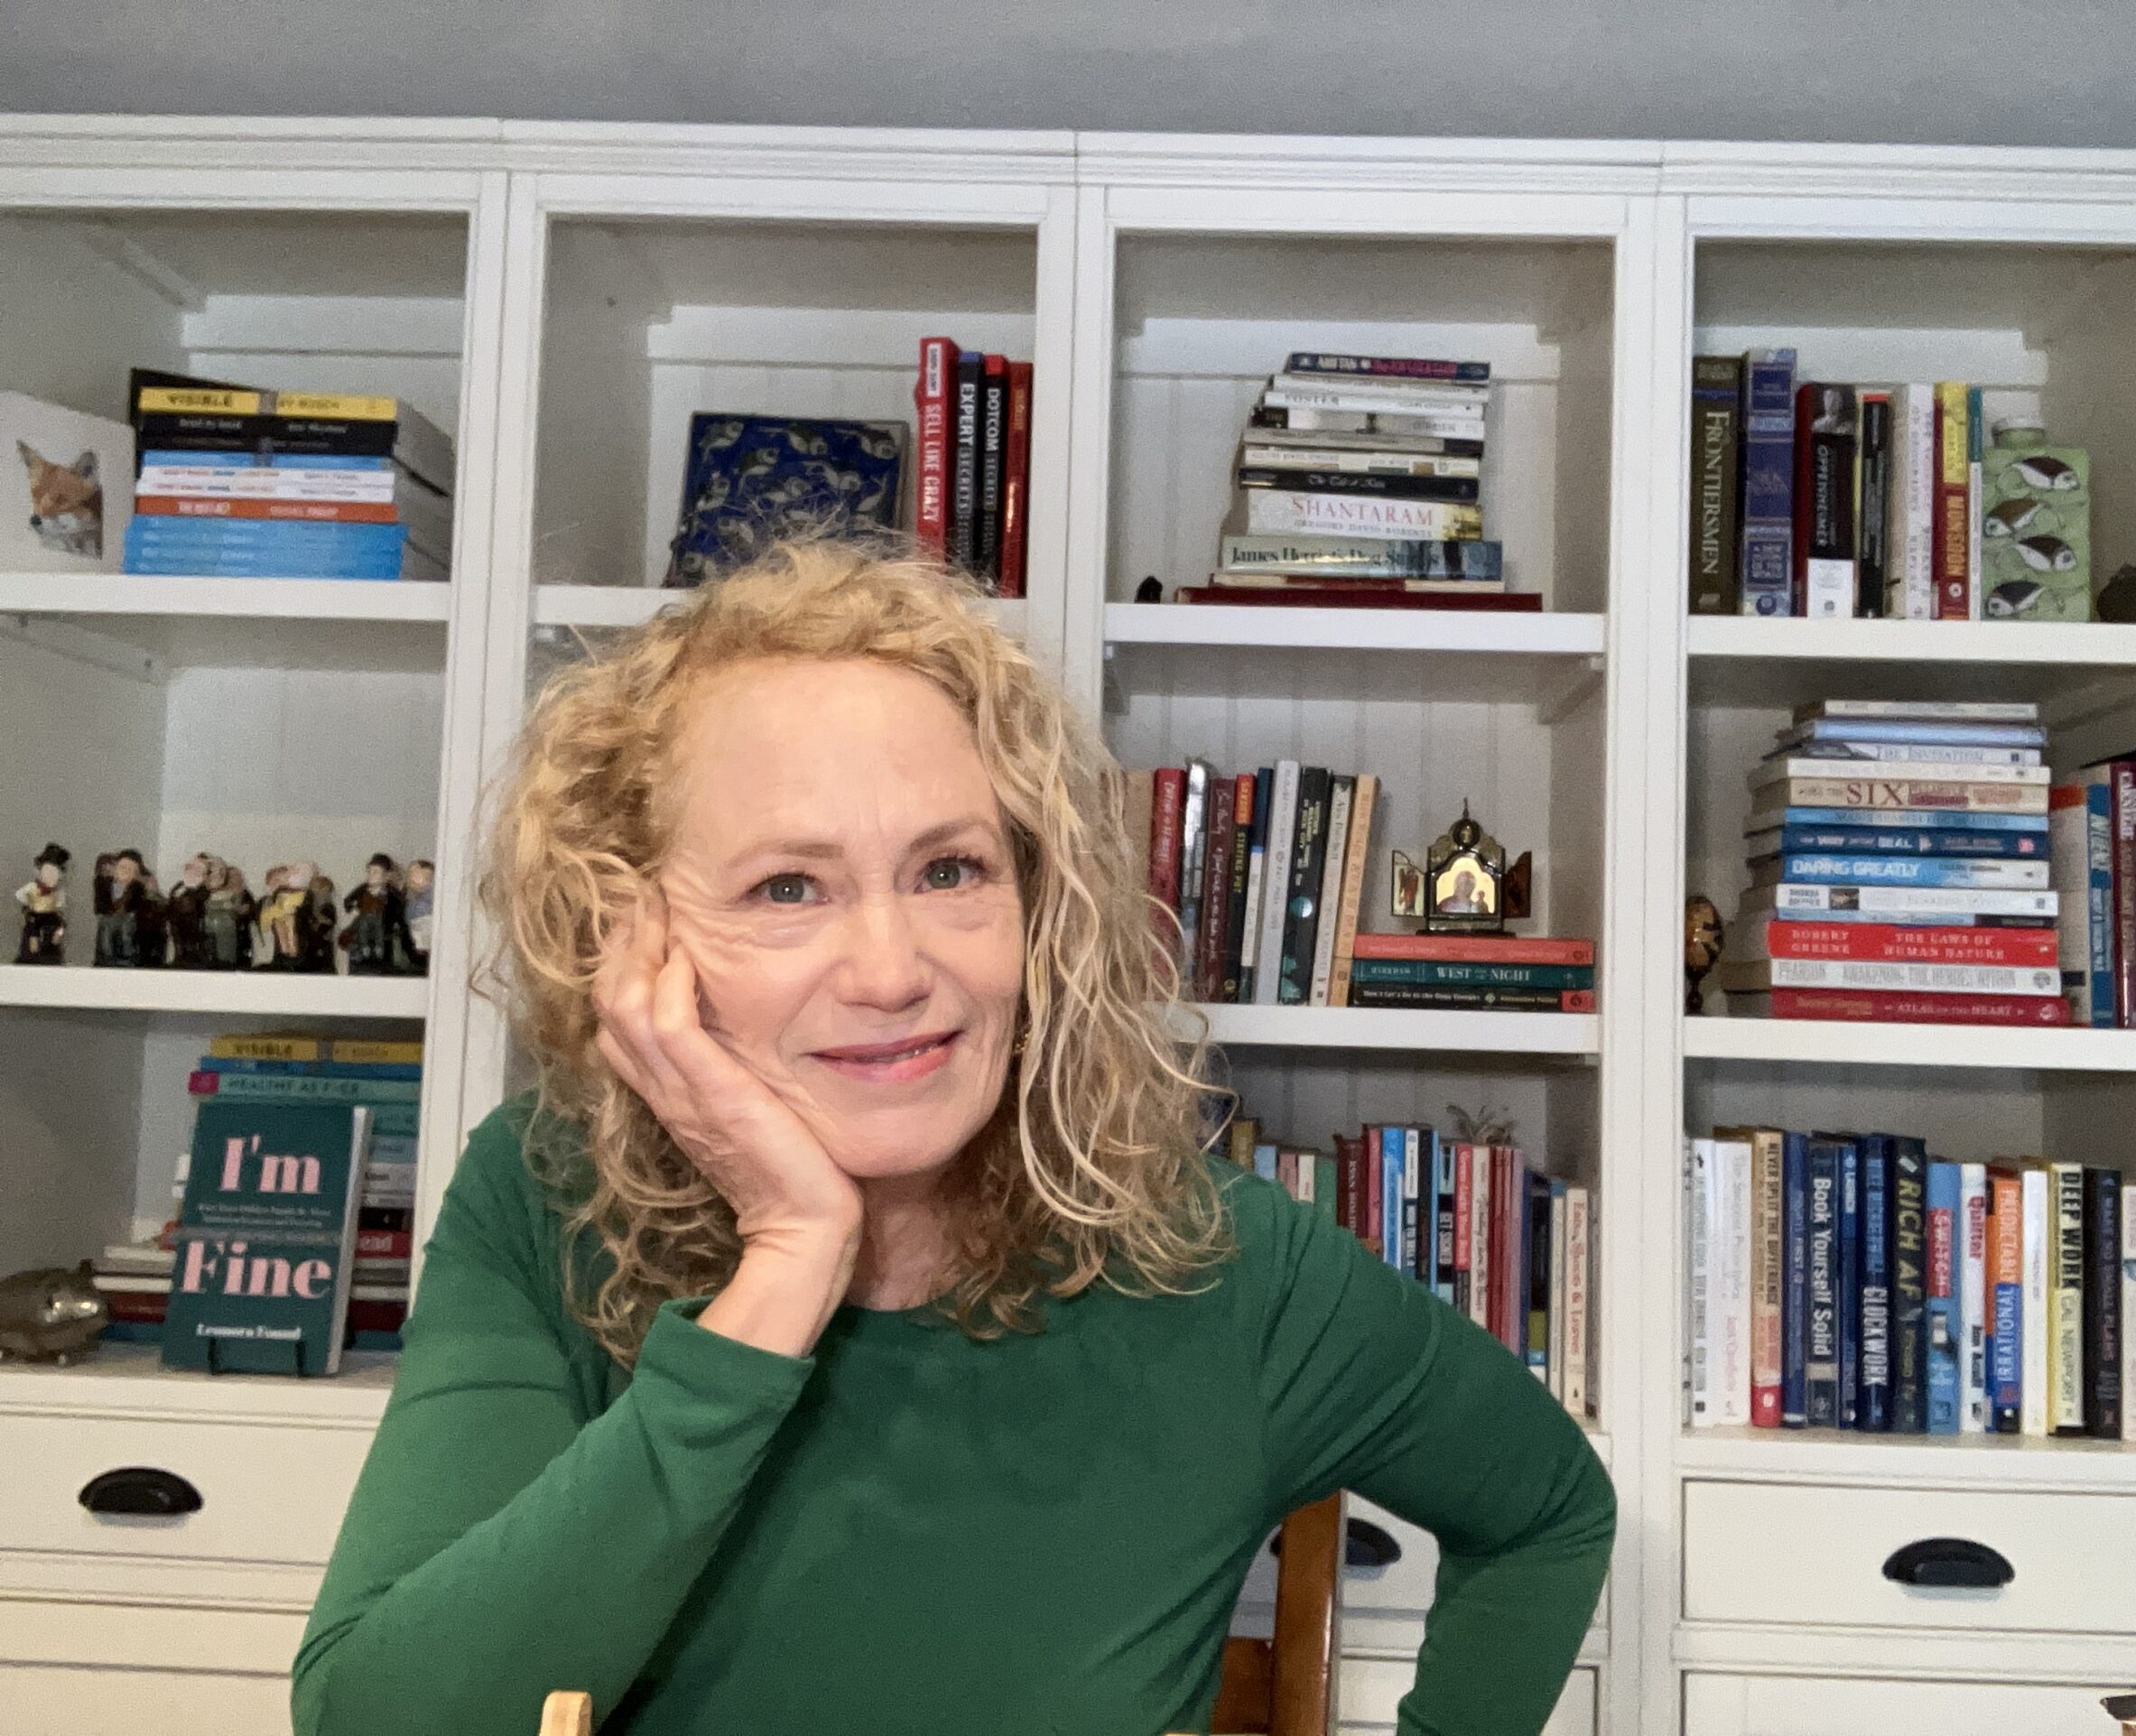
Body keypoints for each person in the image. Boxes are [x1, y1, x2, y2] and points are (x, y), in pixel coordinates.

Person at [293, 542, 1612, 1736]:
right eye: (788, 886)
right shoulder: (547, 1195)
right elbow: (376, 1722)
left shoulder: (1220, 1263)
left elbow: (1550, 1513)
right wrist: (787, 1263)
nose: (892, 970)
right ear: (629, 938)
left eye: (950, 871)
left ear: (1042, 908)